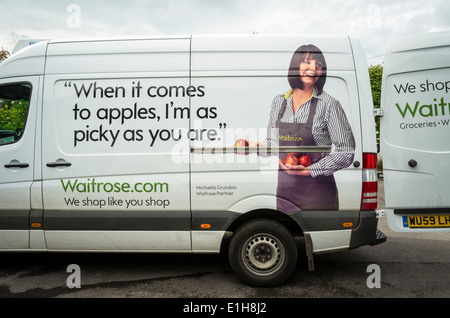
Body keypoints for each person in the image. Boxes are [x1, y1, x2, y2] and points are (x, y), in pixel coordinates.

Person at [253, 44, 355, 212]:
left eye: (319, 65)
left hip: (317, 194)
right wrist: (253, 147)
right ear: (296, 66)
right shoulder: (279, 102)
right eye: (307, 62)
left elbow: (347, 151)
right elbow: (273, 144)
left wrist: (311, 170)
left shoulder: (329, 105)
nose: (313, 68)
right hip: (285, 193)